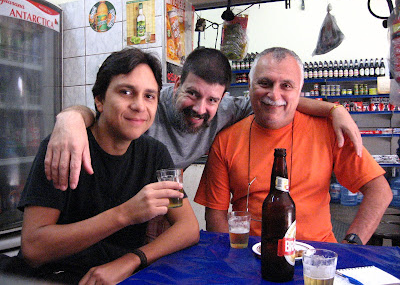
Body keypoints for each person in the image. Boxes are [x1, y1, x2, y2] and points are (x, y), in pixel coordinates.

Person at [45, 48, 363, 191]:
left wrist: (335, 110)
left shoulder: (227, 109)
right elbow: (104, 111)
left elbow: (277, 99)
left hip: (159, 204)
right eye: (193, 94)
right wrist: (71, 116)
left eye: (212, 99)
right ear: (176, 82)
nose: (200, 108)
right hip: (115, 197)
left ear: (223, 99)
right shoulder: (148, 106)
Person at [16, 48, 199, 284]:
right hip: (52, 276)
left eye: (149, 96)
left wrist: (131, 261)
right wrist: (126, 214)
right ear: (100, 100)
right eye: (126, 92)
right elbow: (33, 249)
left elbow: (188, 226)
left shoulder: (154, 154)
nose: (139, 105)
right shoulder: (64, 147)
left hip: (119, 276)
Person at [194, 47, 392, 244]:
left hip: (315, 257)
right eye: (265, 83)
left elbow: (380, 192)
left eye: (286, 85)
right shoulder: (226, 140)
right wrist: (231, 259)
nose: (274, 94)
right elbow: (215, 215)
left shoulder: (329, 130)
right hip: (252, 256)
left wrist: (352, 244)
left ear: (300, 89)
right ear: (250, 84)